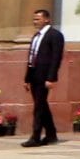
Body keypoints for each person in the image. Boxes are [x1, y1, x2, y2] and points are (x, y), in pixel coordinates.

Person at [25, 8, 64, 145]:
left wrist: (51, 77)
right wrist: (27, 78)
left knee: (39, 107)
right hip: (34, 75)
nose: (35, 21)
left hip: (45, 76)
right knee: (41, 105)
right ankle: (51, 134)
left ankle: (35, 137)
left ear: (46, 19)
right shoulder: (36, 37)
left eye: (38, 19)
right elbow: (31, 58)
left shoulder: (55, 35)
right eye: (34, 19)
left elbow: (56, 58)